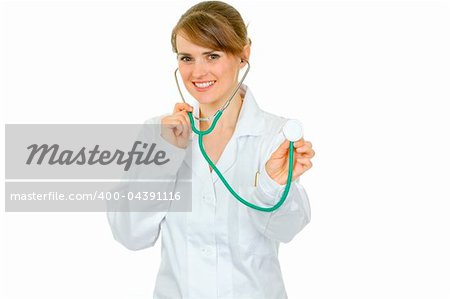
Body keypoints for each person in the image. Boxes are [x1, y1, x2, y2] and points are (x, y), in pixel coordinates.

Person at [108, 1, 315, 298]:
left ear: (243, 54)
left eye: (212, 55)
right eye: (186, 58)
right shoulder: (159, 132)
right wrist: (164, 158)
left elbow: (286, 230)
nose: (197, 71)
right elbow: (129, 234)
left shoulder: (274, 136)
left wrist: (272, 185)